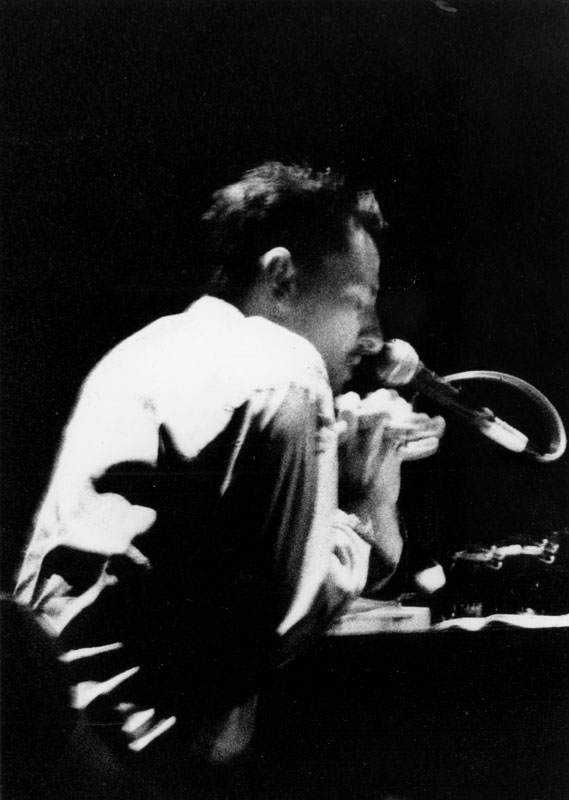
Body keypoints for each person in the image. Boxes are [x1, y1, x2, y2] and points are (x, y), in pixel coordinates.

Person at [13, 162, 444, 797]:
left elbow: (201, 573)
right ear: (281, 276)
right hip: (141, 772)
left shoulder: (141, 351)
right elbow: (275, 630)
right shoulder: (286, 368)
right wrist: (364, 500)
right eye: (360, 299)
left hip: (54, 744)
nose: (377, 337)